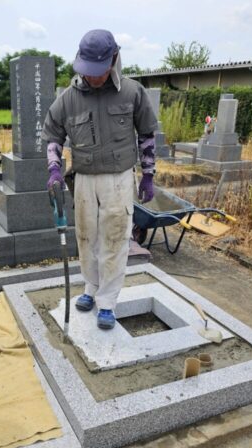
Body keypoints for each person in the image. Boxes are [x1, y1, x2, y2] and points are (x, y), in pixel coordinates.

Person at [41, 29, 158, 330]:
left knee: (115, 239)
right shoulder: (68, 99)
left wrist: (148, 174)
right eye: (88, 72)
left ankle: (107, 301)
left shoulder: (132, 92)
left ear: (114, 60)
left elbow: (146, 135)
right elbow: (53, 136)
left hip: (118, 179)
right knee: (86, 237)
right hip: (83, 179)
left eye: (100, 71)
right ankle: (90, 288)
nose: (94, 78)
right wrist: (54, 168)